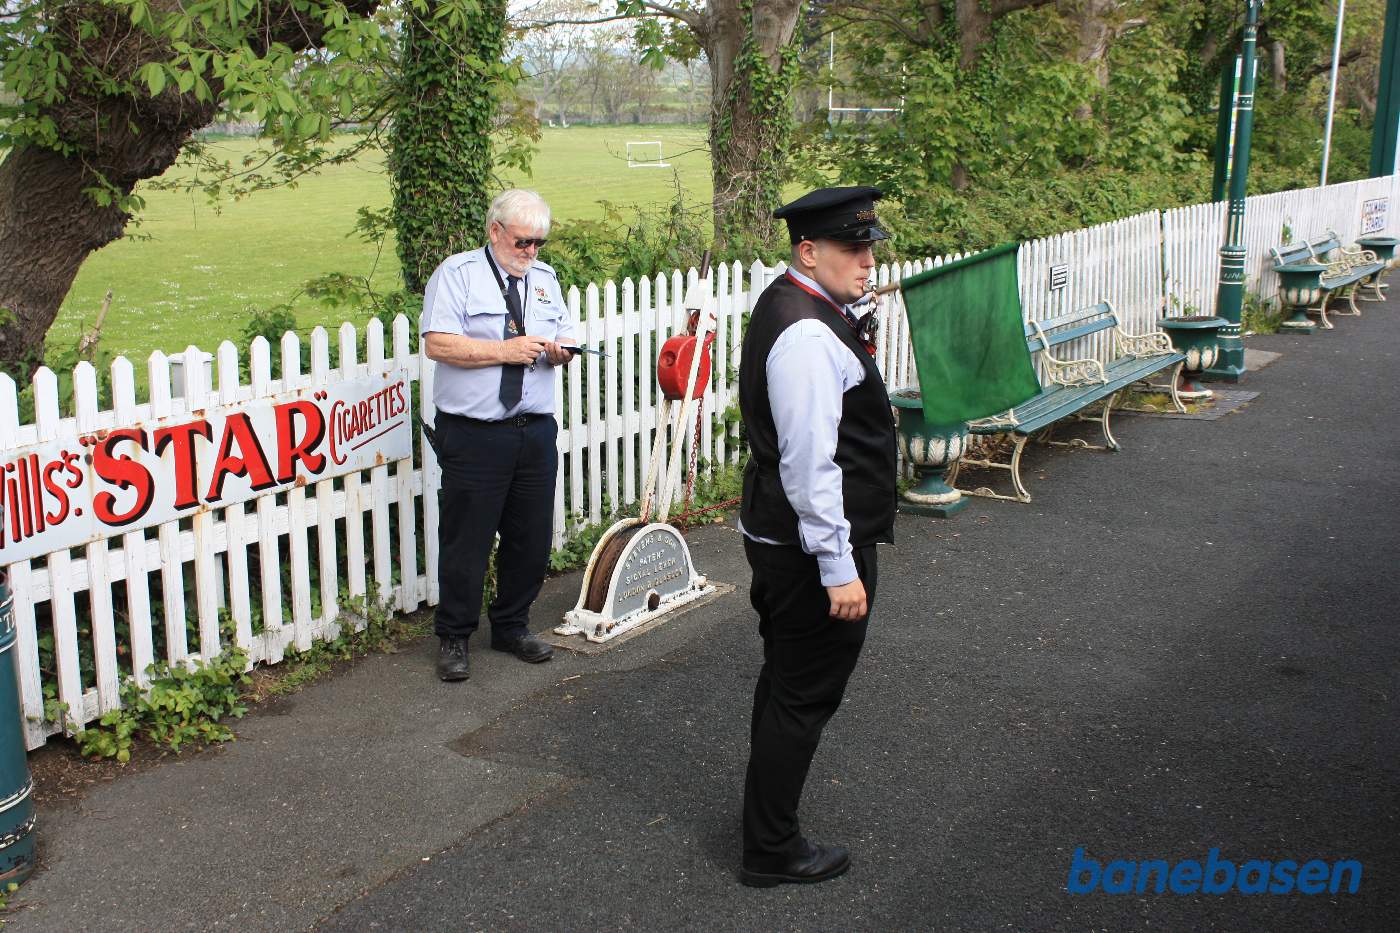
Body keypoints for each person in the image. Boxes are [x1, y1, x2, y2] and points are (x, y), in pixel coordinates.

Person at [736, 186, 898, 887]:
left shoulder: (797, 304)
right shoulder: (805, 332)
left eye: (868, 247)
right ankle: (770, 848)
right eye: (852, 249)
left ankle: (762, 818)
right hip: (807, 547)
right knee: (802, 695)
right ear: (809, 250)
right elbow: (810, 462)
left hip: (780, 534)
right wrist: (838, 565)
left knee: (786, 682)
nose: (867, 261)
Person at [420, 189, 577, 681]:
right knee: (467, 539)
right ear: (495, 232)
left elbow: (567, 332)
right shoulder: (458, 275)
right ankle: (454, 636)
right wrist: (503, 351)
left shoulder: (546, 280)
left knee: (530, 536)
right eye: (523, 241)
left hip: (533, 429)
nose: (531, 252)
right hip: (475, 433)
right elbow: (438, 344)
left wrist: (561, 351)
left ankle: (512, 625)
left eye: (539, 243)